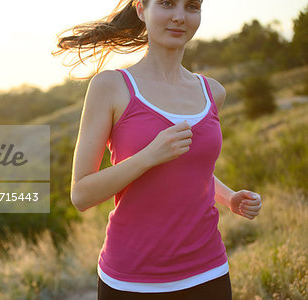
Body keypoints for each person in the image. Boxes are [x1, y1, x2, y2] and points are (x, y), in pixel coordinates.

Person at [52, 0, 263, 299]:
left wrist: (230, 198)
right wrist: (148, 157)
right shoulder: (111, 86)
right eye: (166, 3)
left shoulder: (213, 92)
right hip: (131, 281)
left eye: (191, 6)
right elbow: (82, 195)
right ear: (141, 9)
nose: (179, 17)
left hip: (209, 272)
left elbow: (191, 171)